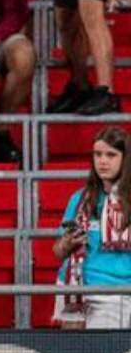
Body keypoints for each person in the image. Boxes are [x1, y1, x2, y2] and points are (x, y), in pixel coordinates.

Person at [55, 126, 131, 330]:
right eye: (98, 154)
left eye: (111, 155)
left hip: (118, 294)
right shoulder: (79, 199)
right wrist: (68, 243)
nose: (103, 161)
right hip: (76, 291)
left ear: (125, 159)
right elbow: (58, 251)